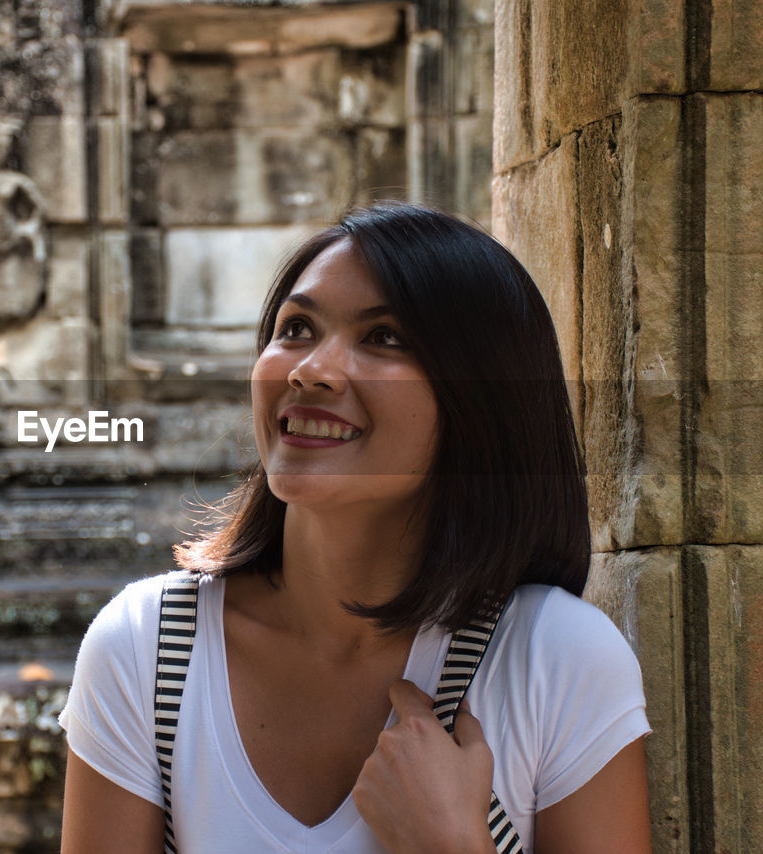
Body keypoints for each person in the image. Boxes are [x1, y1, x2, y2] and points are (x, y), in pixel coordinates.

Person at [58, 203, 652, 853]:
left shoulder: (555, 661)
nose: (311, 370)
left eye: (384, 338)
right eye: (297, 328)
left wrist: (451, 844)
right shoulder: (146, 650)